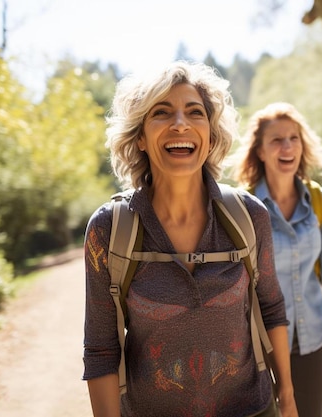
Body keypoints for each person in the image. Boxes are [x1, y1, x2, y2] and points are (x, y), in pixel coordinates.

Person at [82, 61, 297, 417]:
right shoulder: (107, 230)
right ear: (140, 137)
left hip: (253, 409)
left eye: (194, 112)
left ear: (211, 136)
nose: (179, 123)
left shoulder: (249, 216)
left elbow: (271, 308)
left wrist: (287, 398)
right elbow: (101, 348)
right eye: (161, 113)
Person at [232, 102, 322, 417]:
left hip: (312, 342)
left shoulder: (319, 201)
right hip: (257, 350)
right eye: (277, 140)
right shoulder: (240, 208)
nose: (288, 146)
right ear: (260, 151)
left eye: (294, 138)